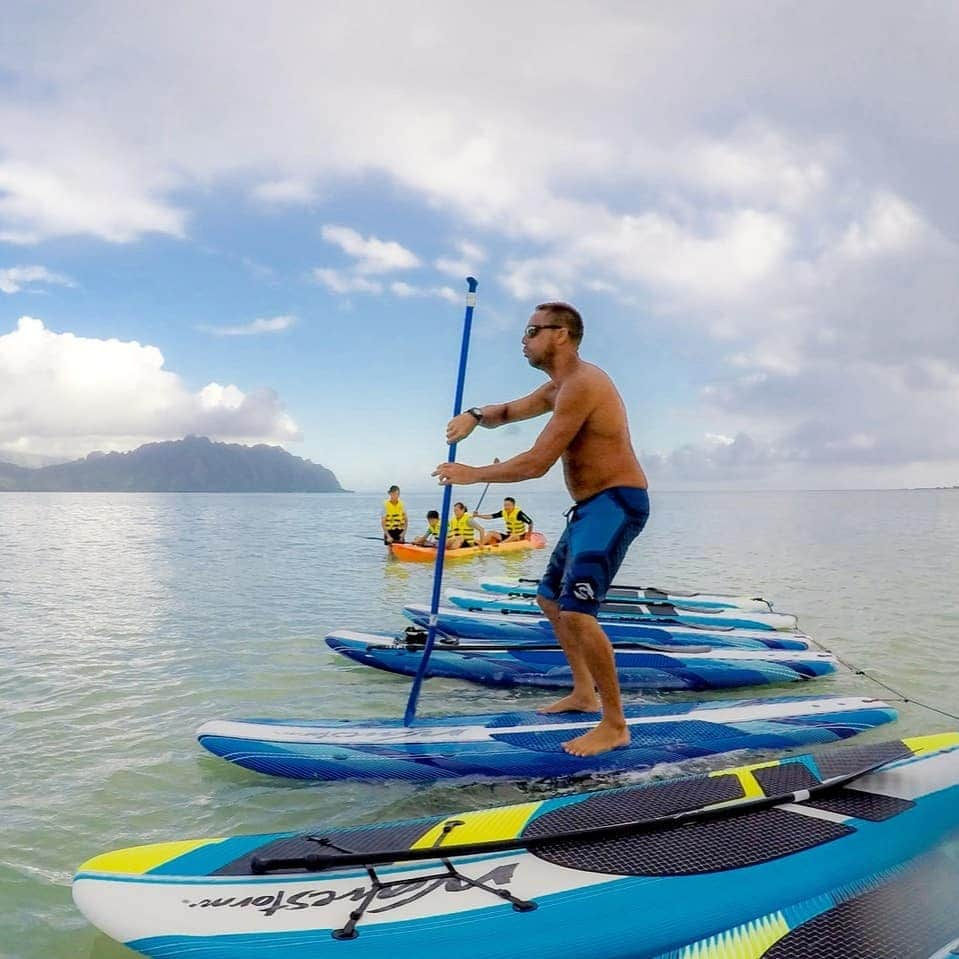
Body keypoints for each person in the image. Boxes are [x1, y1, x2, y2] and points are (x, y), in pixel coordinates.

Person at [432, 302, 649, 757]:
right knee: (550, 599)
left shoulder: (584, 385)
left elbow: (536, 463)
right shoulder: (557, 388)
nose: (523, 339)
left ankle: (614, 724)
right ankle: (583, 693)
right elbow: (508, 411)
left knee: (577, 612)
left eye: (531, 331)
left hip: (617, 503)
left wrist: (472, 474)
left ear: (561, 335)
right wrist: (473, 415)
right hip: (591, 507)